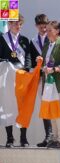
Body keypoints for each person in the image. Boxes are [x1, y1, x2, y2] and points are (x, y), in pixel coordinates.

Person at [0, 14, 31, 147]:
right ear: (9, 24)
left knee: (22, 106)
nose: (17, 26)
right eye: (14, 23)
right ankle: (10, 138)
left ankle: (23, 138)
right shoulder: (2, 39)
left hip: (21, 76)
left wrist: (27, 69)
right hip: (7, 76)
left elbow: (28, 57)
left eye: (19, 24)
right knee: (8, 105)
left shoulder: (24, 40)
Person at [42, 20, 60, 148]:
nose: (46, 32)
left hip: (59, 84)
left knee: (58, 113)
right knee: (51, 113)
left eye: (49, 30)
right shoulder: (47, 44)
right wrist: (41, 63)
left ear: (57, 31)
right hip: (49, 84)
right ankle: (54, 138)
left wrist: (54, 69)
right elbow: (45, 61)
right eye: (46, 30)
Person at [29, 14, 53, 147]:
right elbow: (31, 61)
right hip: (40, 79)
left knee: (53, 106)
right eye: (40, 26)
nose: (43, 28)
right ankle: (48, 136)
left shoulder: (54, 37)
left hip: (53, 77)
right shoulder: (33, 41)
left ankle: (55, 136)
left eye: (45, 25)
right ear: (36, 26)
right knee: (45, 106)